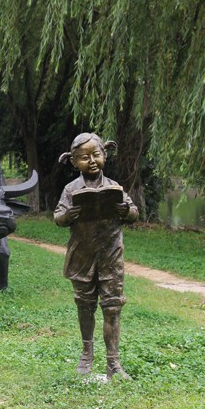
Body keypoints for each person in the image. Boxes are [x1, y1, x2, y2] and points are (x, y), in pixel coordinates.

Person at [53, 133, 138, 380]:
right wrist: (68, 215)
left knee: (112, 307)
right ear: (73, 162)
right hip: (82, 255)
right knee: (85, 305)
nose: (91, 161)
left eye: (96, 155)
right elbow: (58, 216)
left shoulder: (114, 187)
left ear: (105, 155)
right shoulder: (71, 189)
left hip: (111, 255)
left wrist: (126, 211)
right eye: (84, 157)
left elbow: (134, 212)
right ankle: (86, 354)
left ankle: (113, 362)